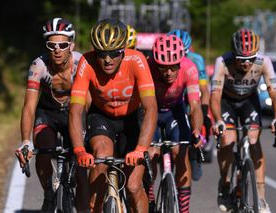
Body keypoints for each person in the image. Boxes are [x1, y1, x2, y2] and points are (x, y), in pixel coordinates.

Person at [69, 18, 157, 212]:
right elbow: (76, 109)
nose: (107, 60)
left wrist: (141, 148)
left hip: (132, 118)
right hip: (102, 117)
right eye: (101, 54)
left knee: (134, 186)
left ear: (123, 51)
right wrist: (79, 150)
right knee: (101, 156)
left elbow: (150, 107)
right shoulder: (87, 62)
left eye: (114, 54)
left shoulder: (137, 61)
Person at [14, 17, 89, 212]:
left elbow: (90, 101)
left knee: (81, 173)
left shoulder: (81, 63)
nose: (57, 49)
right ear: (46, 46)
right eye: (51, 44)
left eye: (62, 45)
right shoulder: (38, 66)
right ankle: (49, 193)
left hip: (75, 111)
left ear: (71, 45)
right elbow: (29, 106)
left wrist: (88, 130)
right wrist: (25, 141)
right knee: (43, 151)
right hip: (47, 113)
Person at [210, 28, 276, 213]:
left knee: (253, 140)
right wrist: (218, 120)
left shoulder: (263, 61)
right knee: (227, 140)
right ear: (233, 54)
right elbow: (215, 96)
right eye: (241, 59)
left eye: (250, 59)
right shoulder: (223, 62)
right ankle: (225, 183)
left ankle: (261, 197)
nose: (246, 64)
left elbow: (274, 94)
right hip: (227, 102)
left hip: (248, 102)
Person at [147, 34, 203, 213]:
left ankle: (184, 209)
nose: (169, 73)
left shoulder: (190, 68)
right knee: (151, 155)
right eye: (163, 68)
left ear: (180, 62)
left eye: (173, 67)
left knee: (181, 153)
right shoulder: (147, 68)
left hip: (174, 112)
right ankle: (150, 198)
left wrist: (196, 130)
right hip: (152, 111)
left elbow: (194, 105)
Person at [168, 29, 212, 181]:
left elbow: (205, 90)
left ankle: (194, 153)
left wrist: (204, 113)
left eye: (184, 53)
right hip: (172, 96)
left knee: (193, 117)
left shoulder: (196, 60)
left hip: (190, 94)